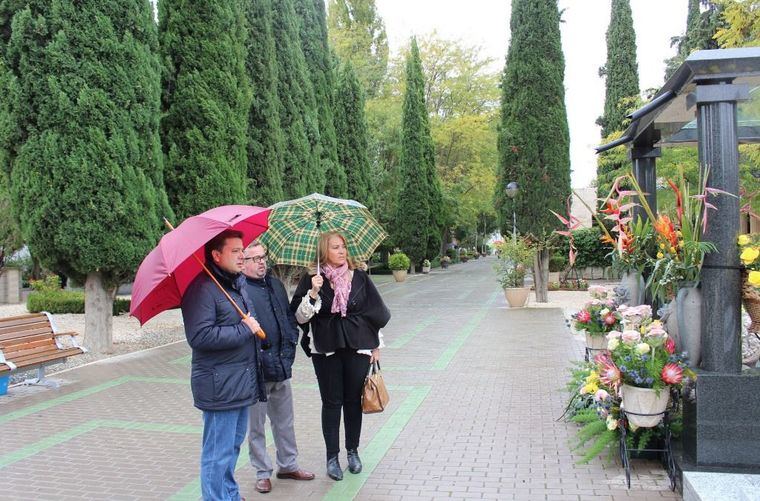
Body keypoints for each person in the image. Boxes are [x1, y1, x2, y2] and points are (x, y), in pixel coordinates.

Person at [290, 231, 391, 481]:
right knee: (332, 403)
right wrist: (313, 293)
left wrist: (376, 345)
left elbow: (373, 312)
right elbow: (299, 317)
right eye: (335, 247)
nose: (341, 251)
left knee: (353, 401)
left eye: (343, 247)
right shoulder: (312, 279)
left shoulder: (359, 277)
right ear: (324, 251)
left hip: (357, 347)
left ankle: (353, 451)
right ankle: (332, 457)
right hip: (326, 349)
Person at [181, 229, 266, 501]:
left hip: (239, 382)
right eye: (235, 251)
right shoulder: (202, 289)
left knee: (231, 449)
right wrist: (244, 330)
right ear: (216, 255)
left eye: (243, 250)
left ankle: (229, 494)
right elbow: (200, 336)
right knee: (217, 455)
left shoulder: (234, 284)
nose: (242, 256)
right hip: (220, 387)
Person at [242, 241, 315, 493]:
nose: (261, 262)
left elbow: (287, 318)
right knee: (256, 425)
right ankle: (263, 471)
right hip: (256, 372)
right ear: (243, 263)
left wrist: (291, 344)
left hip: (281, 366)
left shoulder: (275, 285)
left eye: (263, 257)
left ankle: (288, 464)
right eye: (255, 258)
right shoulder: (239, 291)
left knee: (285, 421)